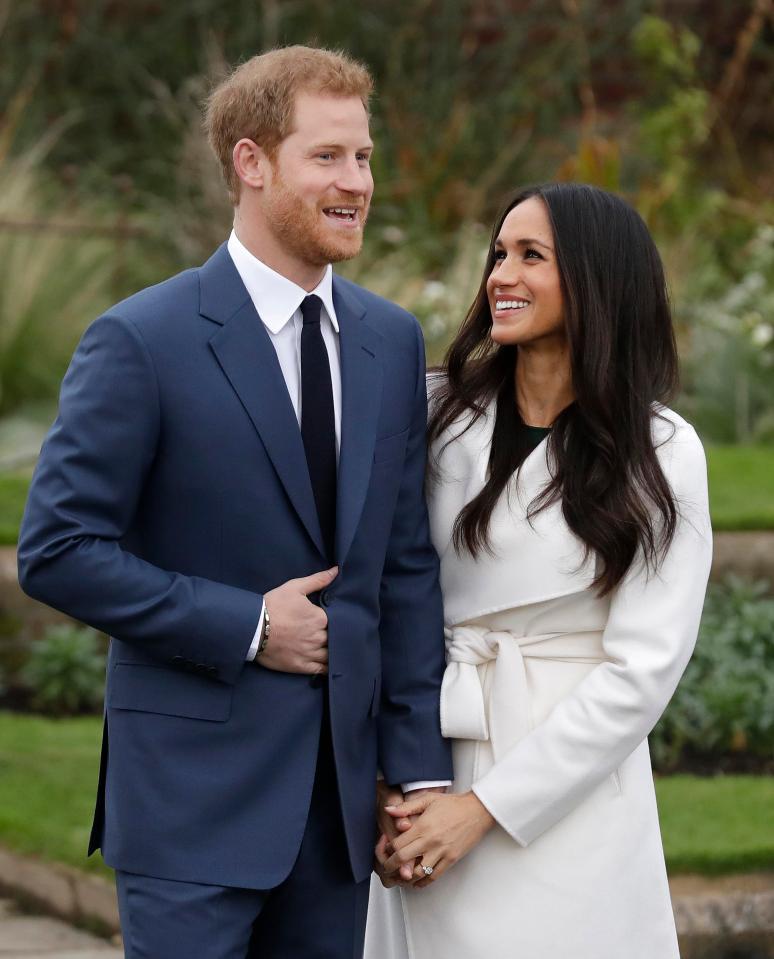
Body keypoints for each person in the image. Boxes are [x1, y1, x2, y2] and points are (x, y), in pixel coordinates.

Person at [17, 46, 452, 959]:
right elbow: (58, 547)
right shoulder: (141, 339)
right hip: (189, 813)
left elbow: (403, 570)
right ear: (251, 163)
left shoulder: (390, 339)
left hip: (337, 824)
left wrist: (413, 770)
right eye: (327, 157)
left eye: (364, 157)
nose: (357, 182)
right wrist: (250, 625)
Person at [364, 183, 712, 959]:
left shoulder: (661, 451)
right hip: (428, 757)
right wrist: (390, 786)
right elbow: (385, 593)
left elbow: (641, 674)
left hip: (566, 791)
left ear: (595, 278)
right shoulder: (433, 412)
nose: (500, 275)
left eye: (531, 256)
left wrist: (483, 809)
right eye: (498, 253)